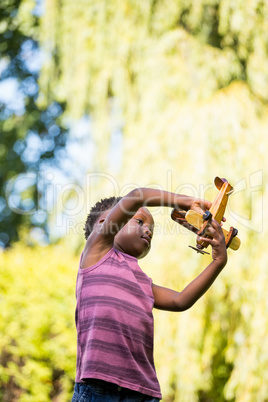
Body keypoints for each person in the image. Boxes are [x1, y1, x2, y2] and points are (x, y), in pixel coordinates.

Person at [72, 188, 227, 401]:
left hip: (142, 391)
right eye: (139, 221)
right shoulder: (97, 253)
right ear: (104, 223)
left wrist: (218, 262)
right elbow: (138, 196)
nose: (149, 230)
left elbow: (181, 300)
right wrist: (186, 202)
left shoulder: (143, 282)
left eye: (151, 228)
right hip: (99, 386)